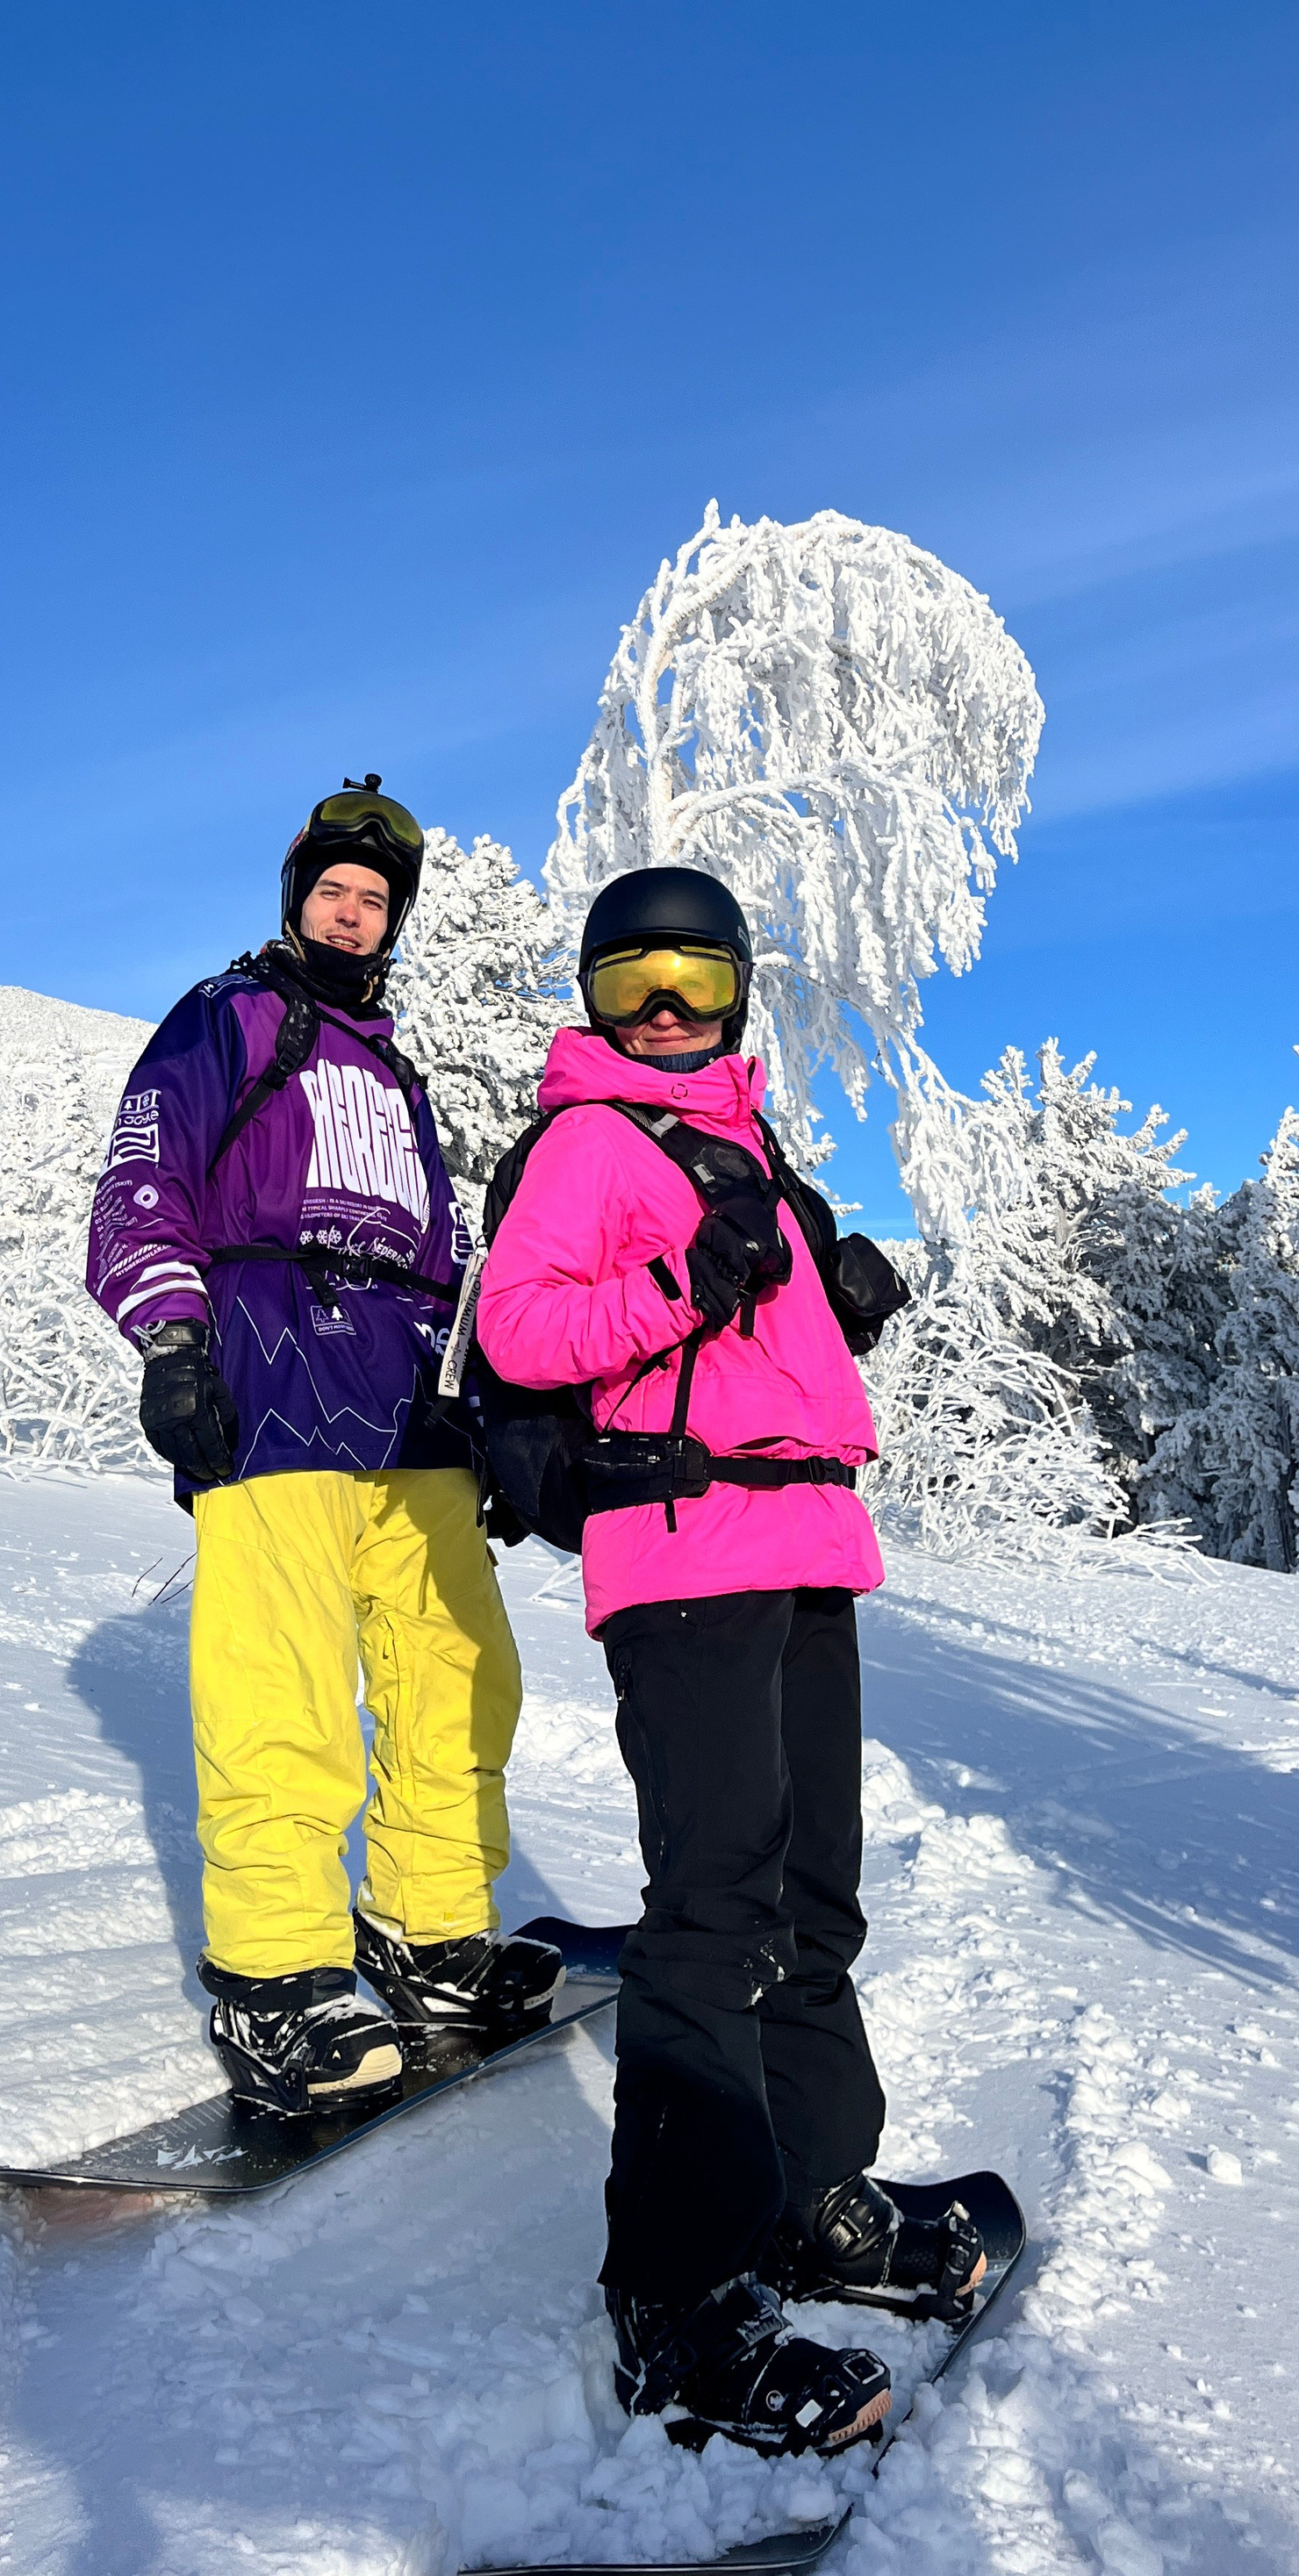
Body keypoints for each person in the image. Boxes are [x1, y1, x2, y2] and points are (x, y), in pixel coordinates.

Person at [474, 864, 984, 2459]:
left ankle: (811, 2194)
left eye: (692, 976)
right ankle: (677, 2298)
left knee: (814, 1889)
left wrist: (837, 1301)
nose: (664, 1007)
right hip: (686, 1544)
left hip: (805, 1544)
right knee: (715, 1909)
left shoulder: (748, 1144)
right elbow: (520, 1328)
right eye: (630, 980)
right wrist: (685, 1279)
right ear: (592, 998)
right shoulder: (589, 1139)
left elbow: (758, 1352)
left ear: (737, 990)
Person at [87, 777, 561, 2115]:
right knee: (282, 1688)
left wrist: (484, 1406)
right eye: (333, 893)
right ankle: (278, 1973)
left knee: (458, 1667)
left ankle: (431, 1930)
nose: (352, 916)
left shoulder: (397, 1072)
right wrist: (174, 1340)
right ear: (297, 899)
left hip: (408, 1399)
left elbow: (443, 1256)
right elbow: (141, 1181)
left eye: (374, 900)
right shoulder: (226, 1017)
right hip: (271, 1377)